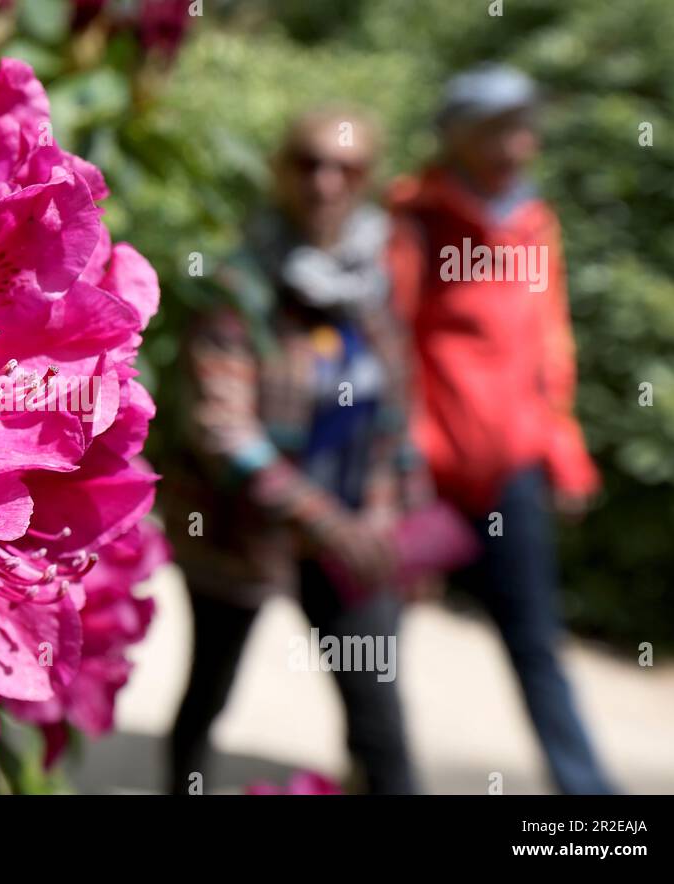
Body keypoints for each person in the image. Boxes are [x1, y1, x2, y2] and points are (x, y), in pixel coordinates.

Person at [164, 108, 423, 795]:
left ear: (369, 180)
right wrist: (323, 519)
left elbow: (397, 412)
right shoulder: (237, 282)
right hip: (242, 533)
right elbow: (223, 429)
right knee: (207, 696)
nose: (326, 182)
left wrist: (401, 521)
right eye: (309, 163)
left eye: (347, 168)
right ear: (281, 170)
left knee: (379, 717)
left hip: (355, 535)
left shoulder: (377, 280)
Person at [386, 64, 614, 794]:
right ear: (460, 135)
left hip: (511, 470)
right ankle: (382, 773)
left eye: (525, 126)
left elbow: (550, 344)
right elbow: (391, 340)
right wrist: (402, 458)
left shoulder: (534, 219)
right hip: (426, 472)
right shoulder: (415, 216)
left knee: (536, 645)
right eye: (502, 128)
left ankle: (592, 804)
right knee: (377, 643)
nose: (521, 143)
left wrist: (564, 449)